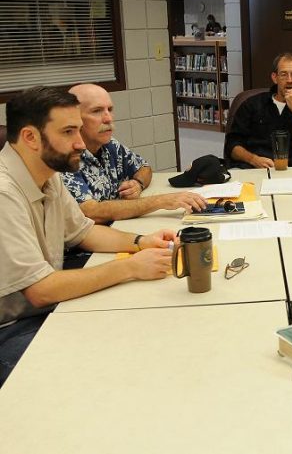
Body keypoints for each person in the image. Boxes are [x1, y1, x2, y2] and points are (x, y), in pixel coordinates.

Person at [0, 86, 176, 387]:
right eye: (69, 132)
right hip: (13, 326)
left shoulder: (47, 174)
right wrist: (130, 267)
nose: (81, 143)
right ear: (30, 137)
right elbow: (40, 290)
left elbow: (83, 231)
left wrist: (141, 242)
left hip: (43, 307)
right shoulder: (4, 192)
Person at [61, 84, 207, 224]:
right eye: (97, 111)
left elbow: (144, 168)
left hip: (119, 226)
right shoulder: (65, 158)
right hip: (92, 244)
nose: (108, 118)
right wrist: (162, 201)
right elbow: (92, 212)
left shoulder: (110, 145)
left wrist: (138, 184)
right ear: (74, 118)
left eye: (110, 109)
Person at [224, 52, 292, 169]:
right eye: (283, 74)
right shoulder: (251, 104)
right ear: (275, 77)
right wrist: (253, 159)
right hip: (255, 169)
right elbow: (231, 146)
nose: (289, 80)